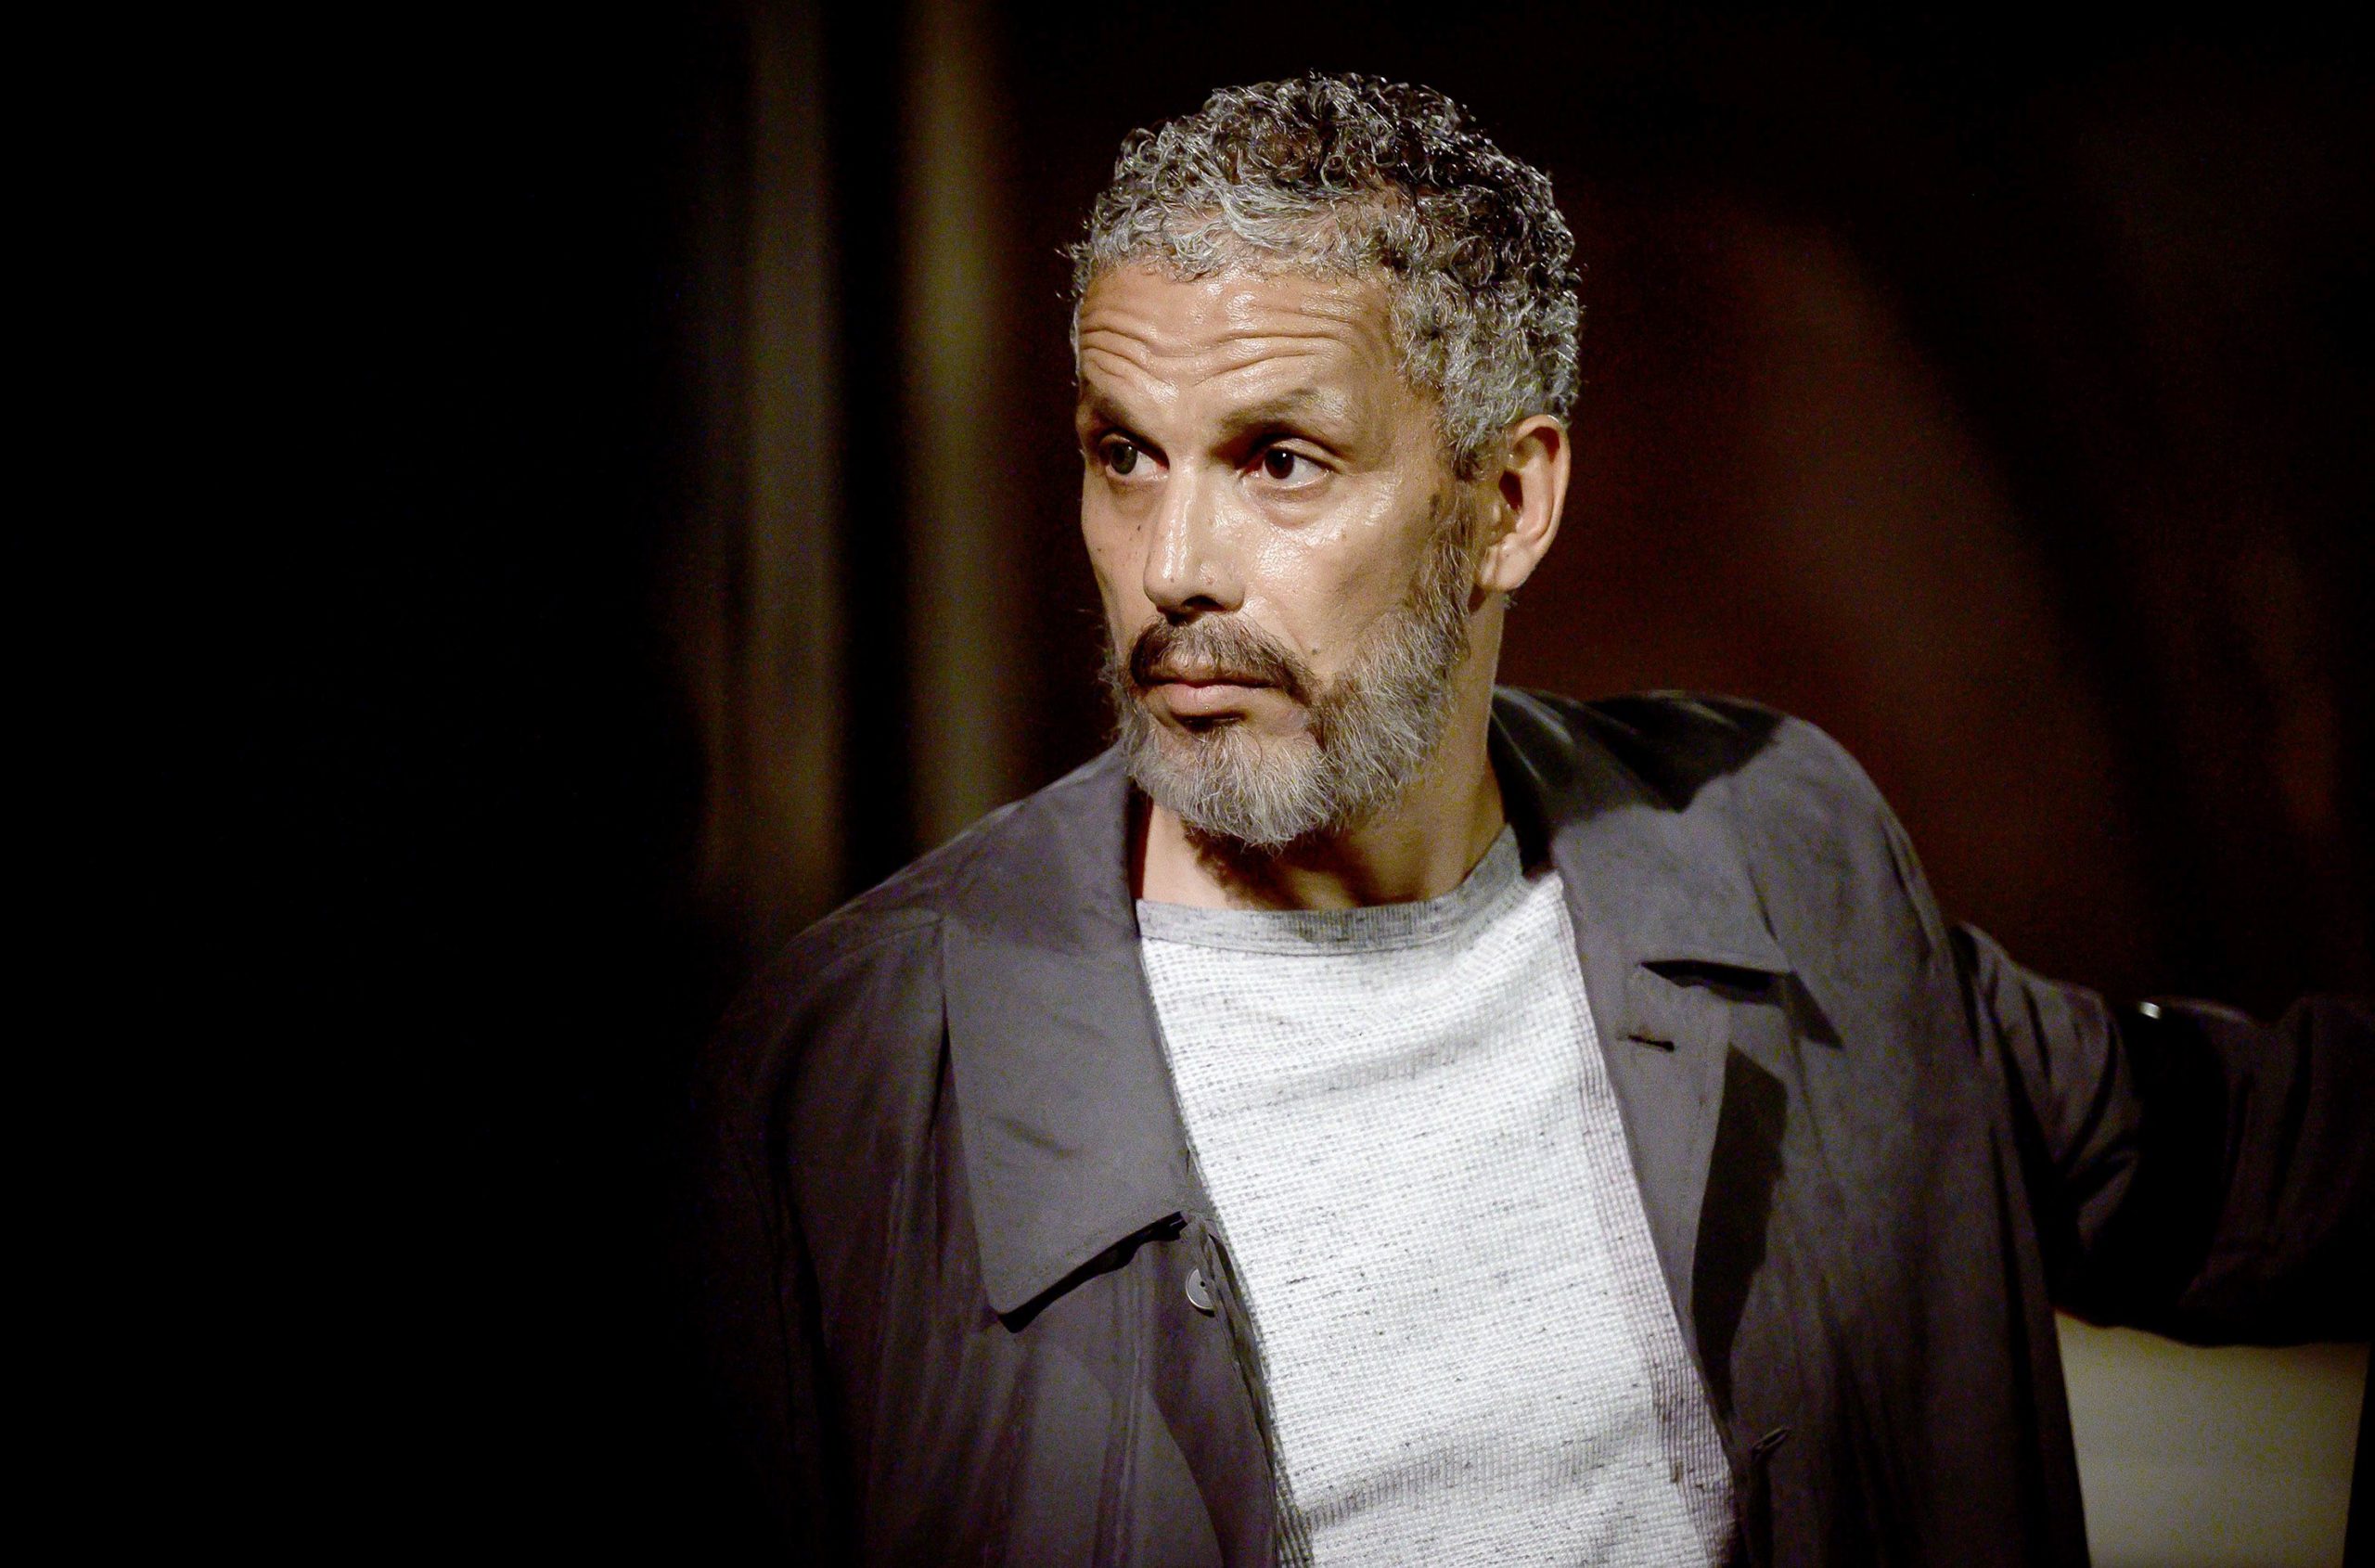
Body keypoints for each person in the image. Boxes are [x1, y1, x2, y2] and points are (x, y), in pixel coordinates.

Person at [696, 73, 2369, 1566]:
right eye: (1124, 456)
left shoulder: (1777, 860)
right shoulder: (863, 1069)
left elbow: (2248, 1163)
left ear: (1507, 501)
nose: (1173, 565)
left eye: (1279, 461)